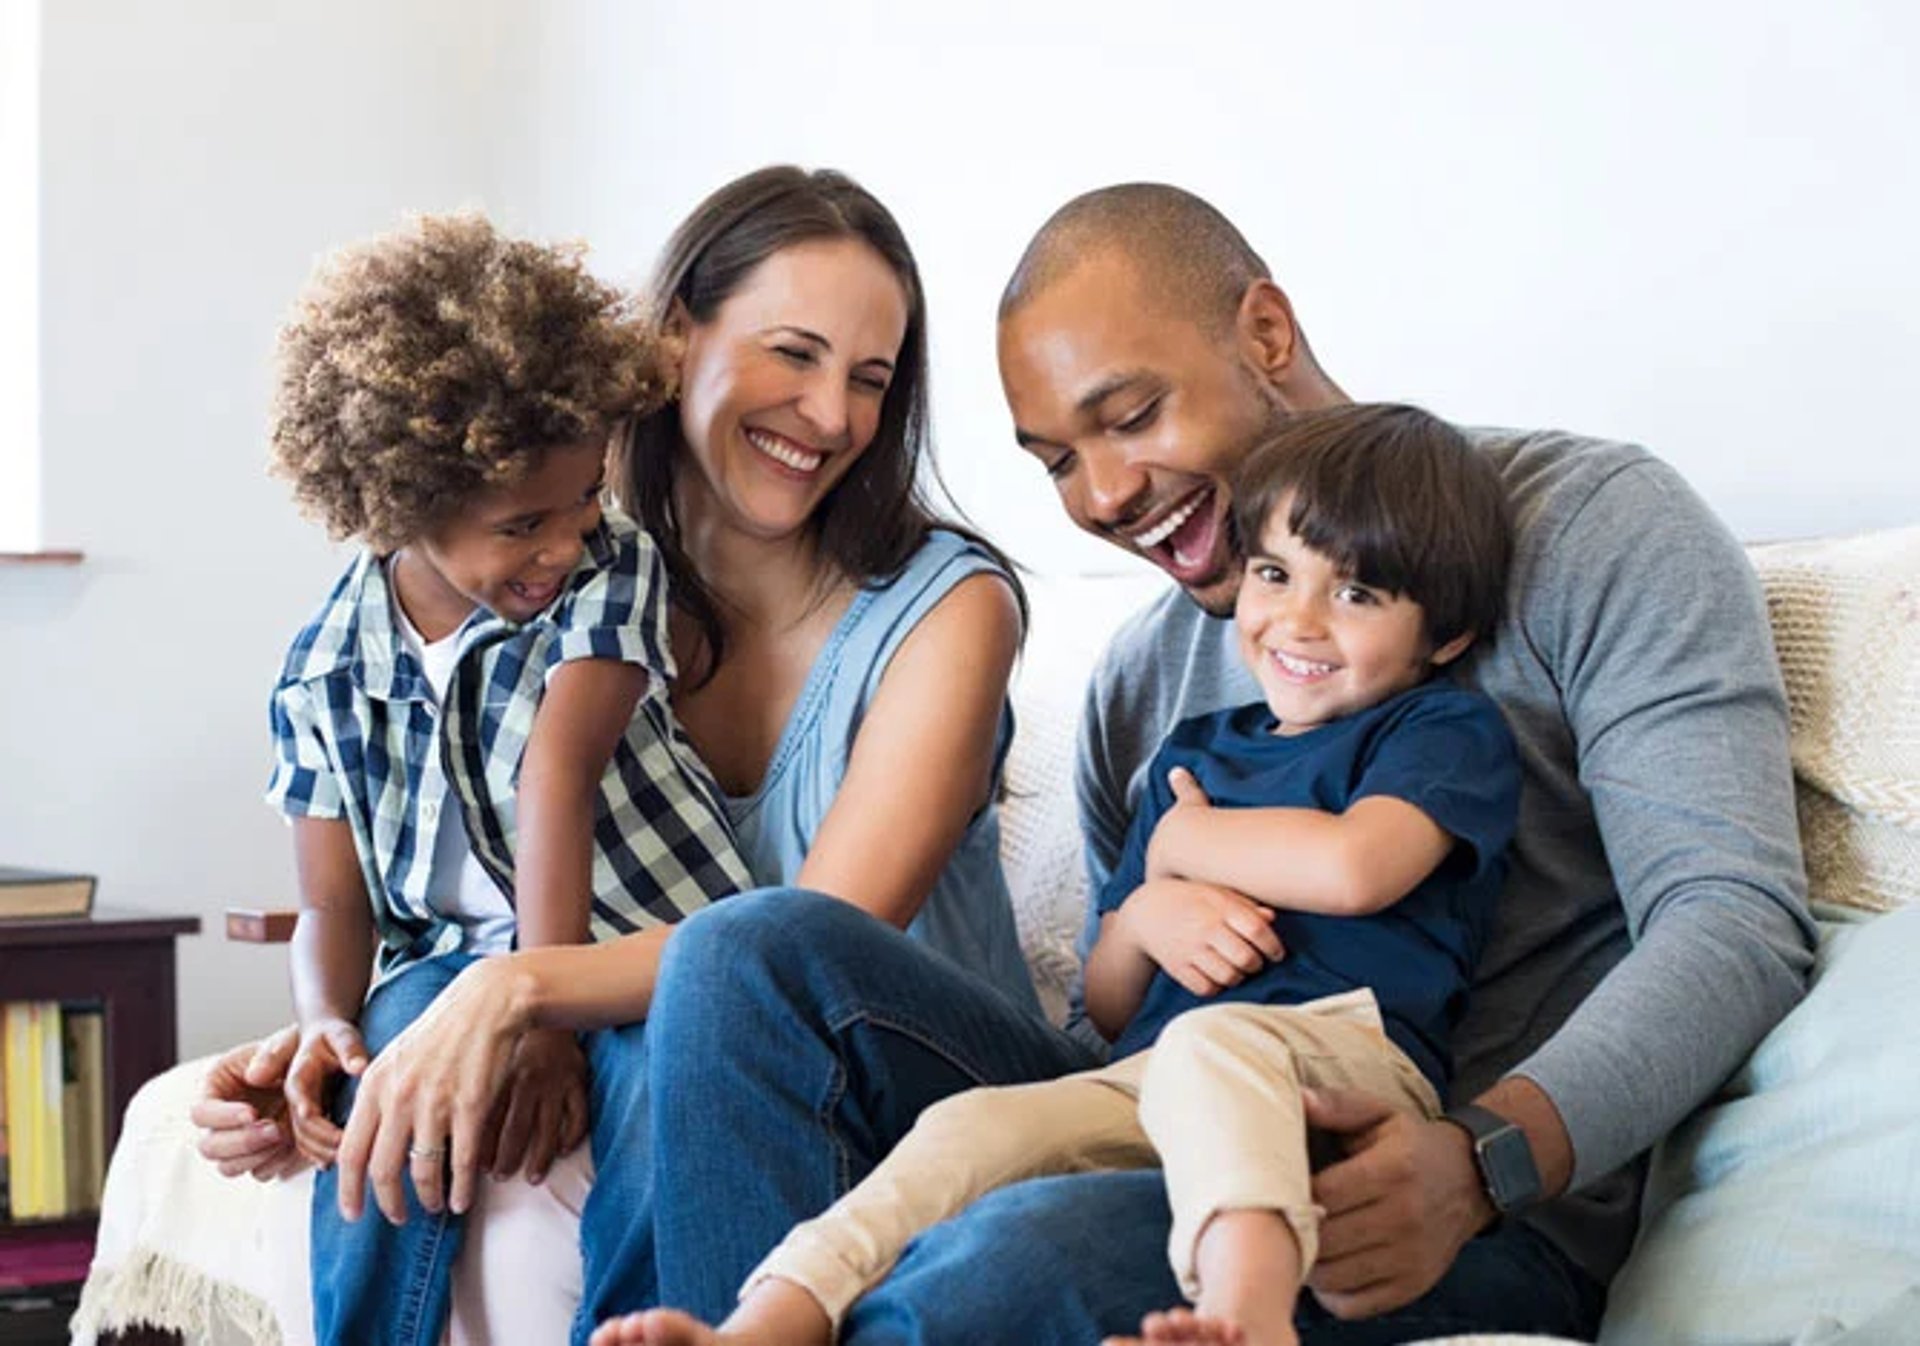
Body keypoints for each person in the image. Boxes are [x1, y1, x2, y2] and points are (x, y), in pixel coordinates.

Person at [608, 182, 1816, 1344]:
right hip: (1172, 1121)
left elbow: (1733, 917)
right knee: (744, 952)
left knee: (1010, 1254)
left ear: (1268, 333)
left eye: (1130, 417)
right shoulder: (1143, 682)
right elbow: (1111, 1020)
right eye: (1057, 461)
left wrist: (1486, 1158)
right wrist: (1147, 914)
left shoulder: (1589, 525)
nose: (1106, 493)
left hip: (1438, 1197)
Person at [190, 166, 1045, 1342]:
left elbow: (797, 951)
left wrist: (518, 988)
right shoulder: (553, 570)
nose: (835, 415)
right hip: (682, 1038)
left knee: (723, 986)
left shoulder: (948, 609)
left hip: (912, 1070)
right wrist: (345, 1030)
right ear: (674, 335)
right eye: (794, 353)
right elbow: (448, 858)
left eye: (869, 379)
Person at [591, 402, 1522, 1346]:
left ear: (1442, 638)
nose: (1300, 621)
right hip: (1153, 1076)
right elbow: (1112, 1002)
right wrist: (1148, 913)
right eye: (1276, 574)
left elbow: (1360, 867)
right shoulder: (1194, 755)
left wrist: (1181, 849)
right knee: (969, 1132)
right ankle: (762, 1325)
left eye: (1358, 596)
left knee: (1216, 1050)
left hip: (1337, 1065)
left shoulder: (1437, 730)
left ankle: (1247, 1317)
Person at [258, 213, 753, 1346]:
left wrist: (542, 1016)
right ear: (398, 503)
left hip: (639, 943)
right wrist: (322, 1022)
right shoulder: (324, 667)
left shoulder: (608, 569)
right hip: (445, 966)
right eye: (523, 523)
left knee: (658, 1087)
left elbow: (556, 776)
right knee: (383, 1076)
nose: (566, 543)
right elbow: (333, 901)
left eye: (582, 500)